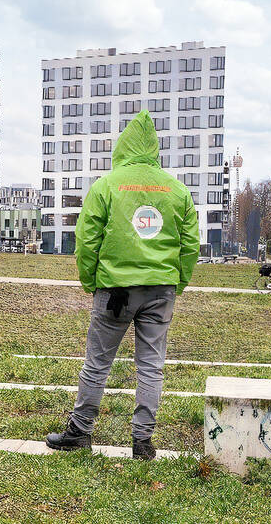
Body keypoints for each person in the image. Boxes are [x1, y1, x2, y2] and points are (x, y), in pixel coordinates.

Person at [45, 110, 200, 460]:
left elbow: (87, 240)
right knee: (151, 365)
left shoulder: (106, 186)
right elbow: (191, 244)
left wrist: (90, 280)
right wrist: (178, 281)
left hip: (114, 291)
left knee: (97, 362)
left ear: (123, 146)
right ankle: (142, 441)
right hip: (161, 289)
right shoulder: (177, 190)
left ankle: (80, 431)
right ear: (155, 148)